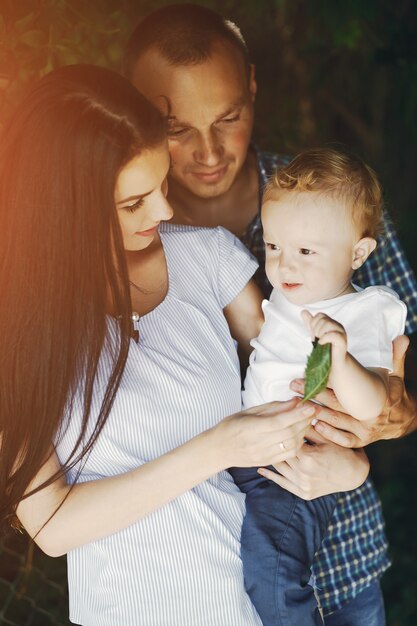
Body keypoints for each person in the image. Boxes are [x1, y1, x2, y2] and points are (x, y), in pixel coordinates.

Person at [0, 64, 368, 626]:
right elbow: (52, 527)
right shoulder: (18, 329)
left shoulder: (208, 258)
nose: (167, 212)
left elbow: (303, 380)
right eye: (133, 204)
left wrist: (352, 466)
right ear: (62, 210)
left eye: (162, 184)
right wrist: (217, 448)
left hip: (253, 609)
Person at [123, 4, 417, 623]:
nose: (207, 151)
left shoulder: (336, 208)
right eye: (175, 127)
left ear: (253, 85)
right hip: (193, 578)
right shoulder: (123, 237)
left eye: (228, 118)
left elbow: (402, 378)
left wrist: (390, 417)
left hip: (339, 563)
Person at [230, 147, 407, 626]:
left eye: (306, 251)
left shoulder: (364, 313)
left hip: (297, 465)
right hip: (251, 452)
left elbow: (374, 405)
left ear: (358, 253)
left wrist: (340, 358)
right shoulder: (293, 295)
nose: (285, 265)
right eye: (273, 247)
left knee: (272, 571)